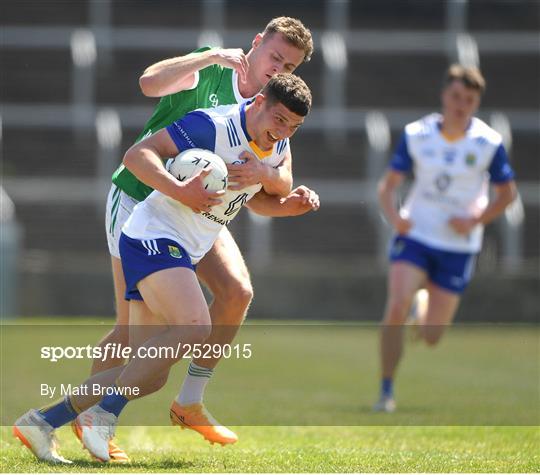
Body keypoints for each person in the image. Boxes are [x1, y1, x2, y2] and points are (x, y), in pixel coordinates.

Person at [13, 73, 315, 464]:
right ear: (258, 102)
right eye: (279, 119)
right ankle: (103, 416)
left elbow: (255, 199)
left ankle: (41, 421)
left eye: (293, 126)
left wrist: (288, 206)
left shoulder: (277, 145)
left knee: (149, 374)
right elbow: (137, 155)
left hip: (180, 248)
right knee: (195, 326)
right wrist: (181, 191)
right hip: (151, 236)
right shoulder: (211, 125)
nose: (283, 131)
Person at [94, 16, 313, 460]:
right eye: (274, 57)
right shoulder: (212, 70)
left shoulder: (274, 109)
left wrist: (266, 173)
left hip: (201, 218)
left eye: (289, 65)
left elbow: (279, 181)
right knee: (132, 334)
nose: (278, 69)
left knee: (236, 292)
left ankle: (190, 400)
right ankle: (81, 417)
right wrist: (208, 55)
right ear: (255, 44)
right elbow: (148, 83)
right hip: (143, 201)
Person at [373, 64, 517, 413]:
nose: (460, 104)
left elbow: (507, 195)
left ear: (476, 102)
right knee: (395, 306)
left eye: (468, 99)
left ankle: (421, 310)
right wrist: (396, 218)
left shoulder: (488, 142)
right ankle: (386, 392)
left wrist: (475, 219)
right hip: (417, 235)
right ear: (444, 96)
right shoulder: (417, 133)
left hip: (458, 245)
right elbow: (388, 187)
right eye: (456, 96)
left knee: (432, 337)